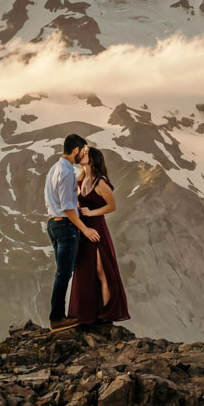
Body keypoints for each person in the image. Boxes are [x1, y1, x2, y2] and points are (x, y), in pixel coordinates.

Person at [69, 145, 131, 328]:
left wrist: (90, 213)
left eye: (86, 153)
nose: (82, 155)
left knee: (102, 272)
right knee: (86, 273)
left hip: (96, 231)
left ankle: (106, 317)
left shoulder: (100, 182)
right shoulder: (80, 181)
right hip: (83, 231)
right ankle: (88, 315)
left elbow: (112, 206)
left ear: (93, 158)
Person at [44, 134, 95, 331]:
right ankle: (57, 318)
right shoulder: (66, 173)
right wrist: (84, 228)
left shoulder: (54, 168)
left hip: (53, 224)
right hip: (65, 226)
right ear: (75, 150)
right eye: (82, 151)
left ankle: (58, 315)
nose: (82, 153)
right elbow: (67, 207)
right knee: (64, 274)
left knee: (62, 273)